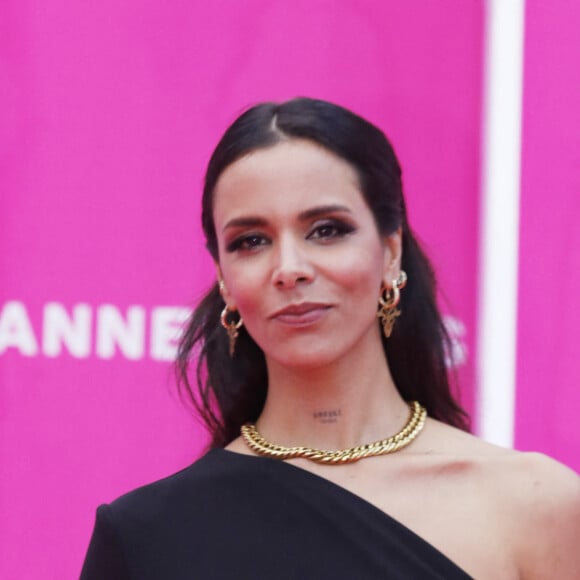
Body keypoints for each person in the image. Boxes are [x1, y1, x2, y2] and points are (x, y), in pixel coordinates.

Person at [80, 97, 579, 579]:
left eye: (326, 230)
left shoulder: (537, 507)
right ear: (224, 278)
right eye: (251, 241)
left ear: (389, 251)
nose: (290, 269)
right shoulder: (148, 537)